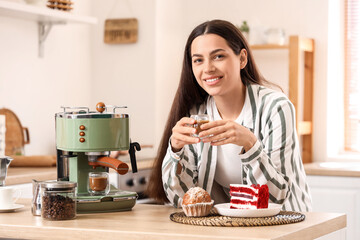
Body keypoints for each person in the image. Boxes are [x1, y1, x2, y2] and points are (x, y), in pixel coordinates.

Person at [146, 19, 312, 212]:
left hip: (286, 223)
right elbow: (182, 199)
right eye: (198, 60)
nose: (207, 68)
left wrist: (250, 144)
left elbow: (276, 196)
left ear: (242, 59)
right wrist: (175, 151)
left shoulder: (276, 107)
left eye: (218, 56)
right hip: (230, 226)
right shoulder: (197, 115)